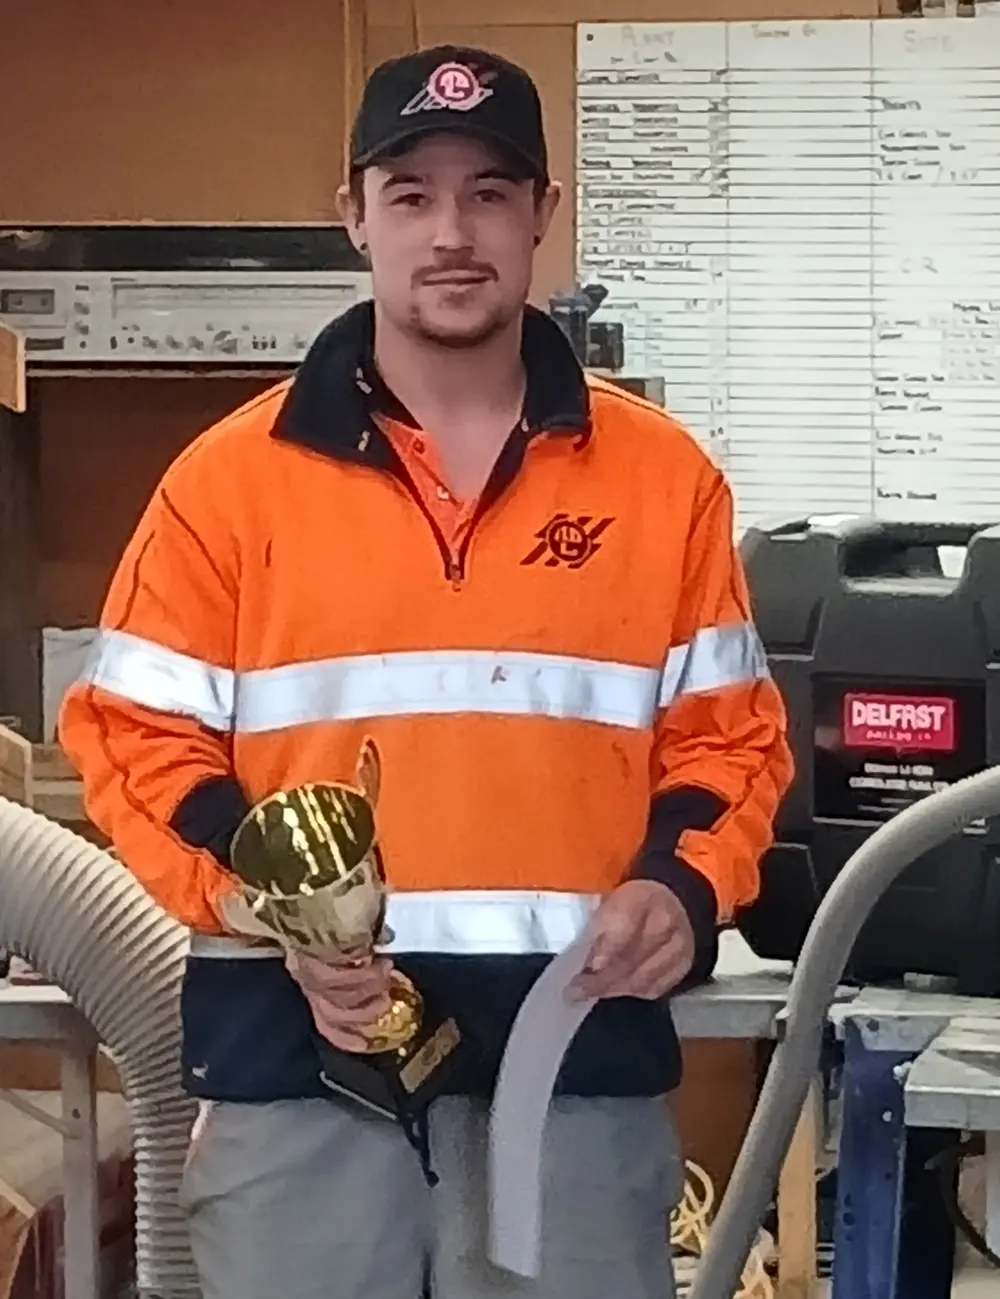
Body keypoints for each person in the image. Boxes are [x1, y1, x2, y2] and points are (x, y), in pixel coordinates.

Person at [59, 44, 793, 1299]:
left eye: (491, 191)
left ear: (542, 217)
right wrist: (268, 911)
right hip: (304, 1069)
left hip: (569, 1073)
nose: (452, 231)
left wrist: (681, 887)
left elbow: (726, 741)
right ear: (353, 214)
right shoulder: (226, 488)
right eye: (410, 193)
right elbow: (136, 739)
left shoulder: (663, 482)